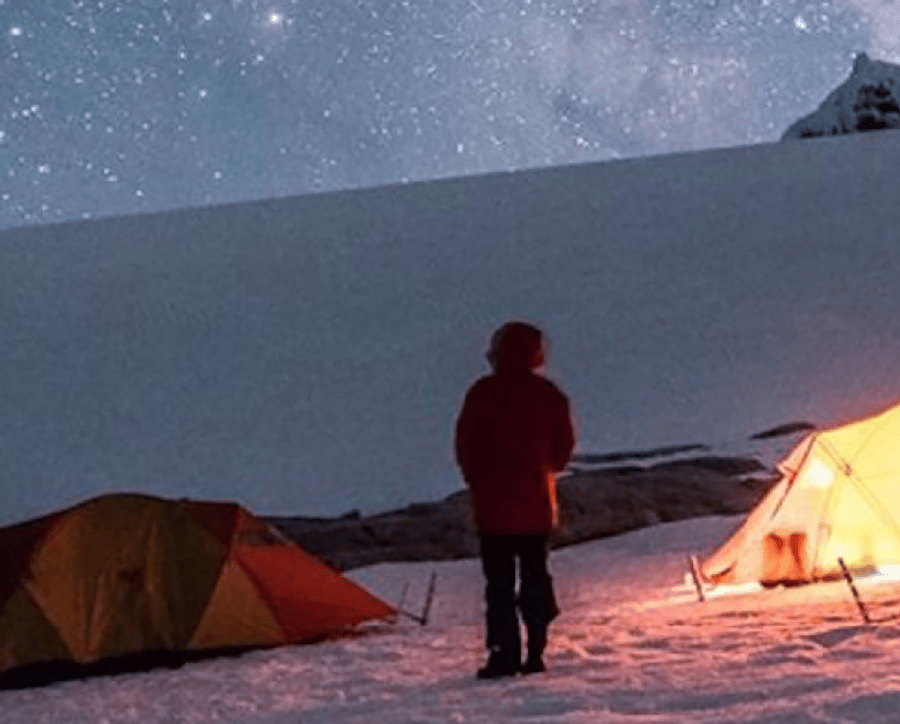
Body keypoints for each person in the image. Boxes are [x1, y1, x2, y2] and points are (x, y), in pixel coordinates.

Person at [454, 321, 576, 679]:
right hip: (536, 505)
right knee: (536, 576)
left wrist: (478, 480)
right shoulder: (549, 394)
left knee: (500, 585)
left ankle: (503, 654)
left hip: (493, 508)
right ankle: (536, 649)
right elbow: (563, 450)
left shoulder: (482, 393)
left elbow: (466, 444)